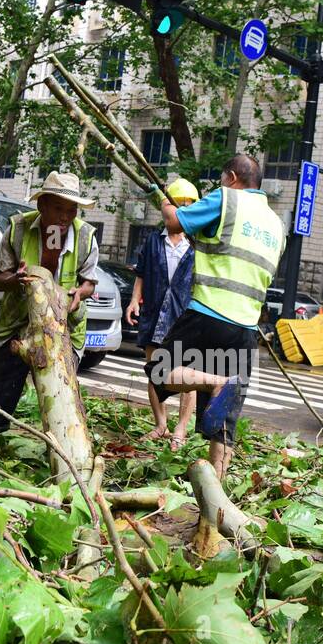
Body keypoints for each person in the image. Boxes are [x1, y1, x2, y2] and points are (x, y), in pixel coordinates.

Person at [146, 154, 286, 478]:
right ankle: (217, 496)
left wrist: (160, 197)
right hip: (245, 328)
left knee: (159, 372)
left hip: (207, 312)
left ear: (233, 178)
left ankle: (214, 382)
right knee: (225, 425)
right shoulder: (277, 225)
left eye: (223, 180)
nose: (221, 186)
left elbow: (175, 222)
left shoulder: (227, 199)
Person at [0, 171, 99, 442]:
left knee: (60, 393)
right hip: (17, 323)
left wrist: (79, 293)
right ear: (42, 204)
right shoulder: (18, 229)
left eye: (72, 210)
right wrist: (16, 279)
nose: (65, 217)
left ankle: (61, 448)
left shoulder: (86, 236)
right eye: (58, 209)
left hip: (64, 326)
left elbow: (89, 282)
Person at [127, 178, 199, 450]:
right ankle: (160, 425)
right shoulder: (153, 241)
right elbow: (141, 274)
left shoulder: (196, 245)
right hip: (155, 313)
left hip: (184, 317)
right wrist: (135, 301)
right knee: (154, 371)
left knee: (187, 376)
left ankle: (180, 429)